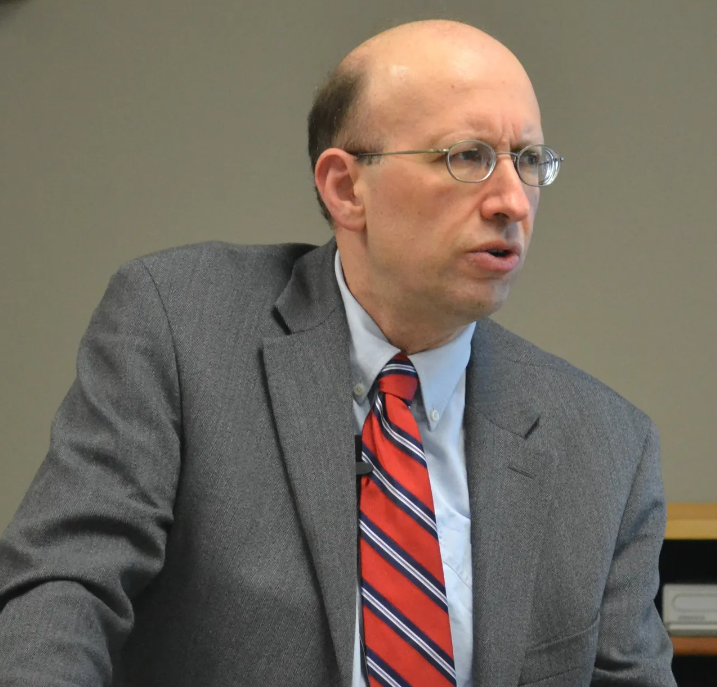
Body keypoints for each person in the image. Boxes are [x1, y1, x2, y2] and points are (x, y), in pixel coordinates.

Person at [0, 19, 675, 687]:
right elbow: (65, 588)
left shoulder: (605, 446)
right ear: (346, 188)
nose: (509, 201)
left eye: (527, 160)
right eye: (465, 157)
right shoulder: (182, 328)